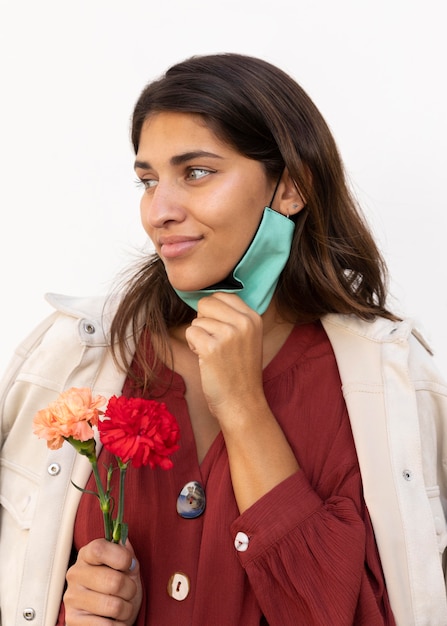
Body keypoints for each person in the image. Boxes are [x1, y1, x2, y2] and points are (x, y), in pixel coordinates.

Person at [0, 53, 446, 626]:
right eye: (148, 180)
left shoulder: (387, 387)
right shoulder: (72, 359)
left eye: (197, 172)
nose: (158, 211)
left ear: (290, 189)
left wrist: (243, 406)